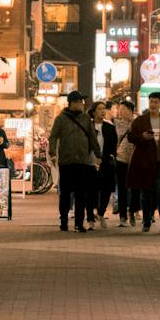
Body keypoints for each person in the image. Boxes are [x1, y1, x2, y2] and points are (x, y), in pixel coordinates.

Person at [126, 90, 160, 233]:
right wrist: (142, 137)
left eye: (156, 102)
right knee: (146, 194)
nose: (153, 104)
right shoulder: (141, 120)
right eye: (151, 101)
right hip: (144, 163)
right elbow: (130, 137)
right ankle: (146, 221)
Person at [48, 90, 100, 232]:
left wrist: (98, 153)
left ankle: (79, 223)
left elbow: (92, 138)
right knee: (65, 193)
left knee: (80, 193)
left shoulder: (85, 119)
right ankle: (64, 220)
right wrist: (53, 154)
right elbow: (53, 137)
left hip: (83, 161)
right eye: (79, 102)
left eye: (82, 102)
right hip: (66, 161)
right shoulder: (61, 119)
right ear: (71, 103)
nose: (82, 104)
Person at [90, 100, 117, 224]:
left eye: (104, 109)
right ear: (94, 111)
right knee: (91, 190)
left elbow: (113, 146)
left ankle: (101, 213)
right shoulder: (88, 126)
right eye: (99, 109)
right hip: (90, 161)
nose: (102, 111)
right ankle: (92, 215)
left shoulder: (110, 127)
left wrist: (106, 157)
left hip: (105, 162)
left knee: (106, 190)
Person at [113, 98, 138, 226]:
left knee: (134, 188)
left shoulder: (137, 124)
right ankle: (123, 216)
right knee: (122, 188)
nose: (120, 112)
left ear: (131, 111)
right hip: (121, 158)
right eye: (119, 109)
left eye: (123, 109)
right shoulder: (116, 124)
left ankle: (132, 211)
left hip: (134, 160)